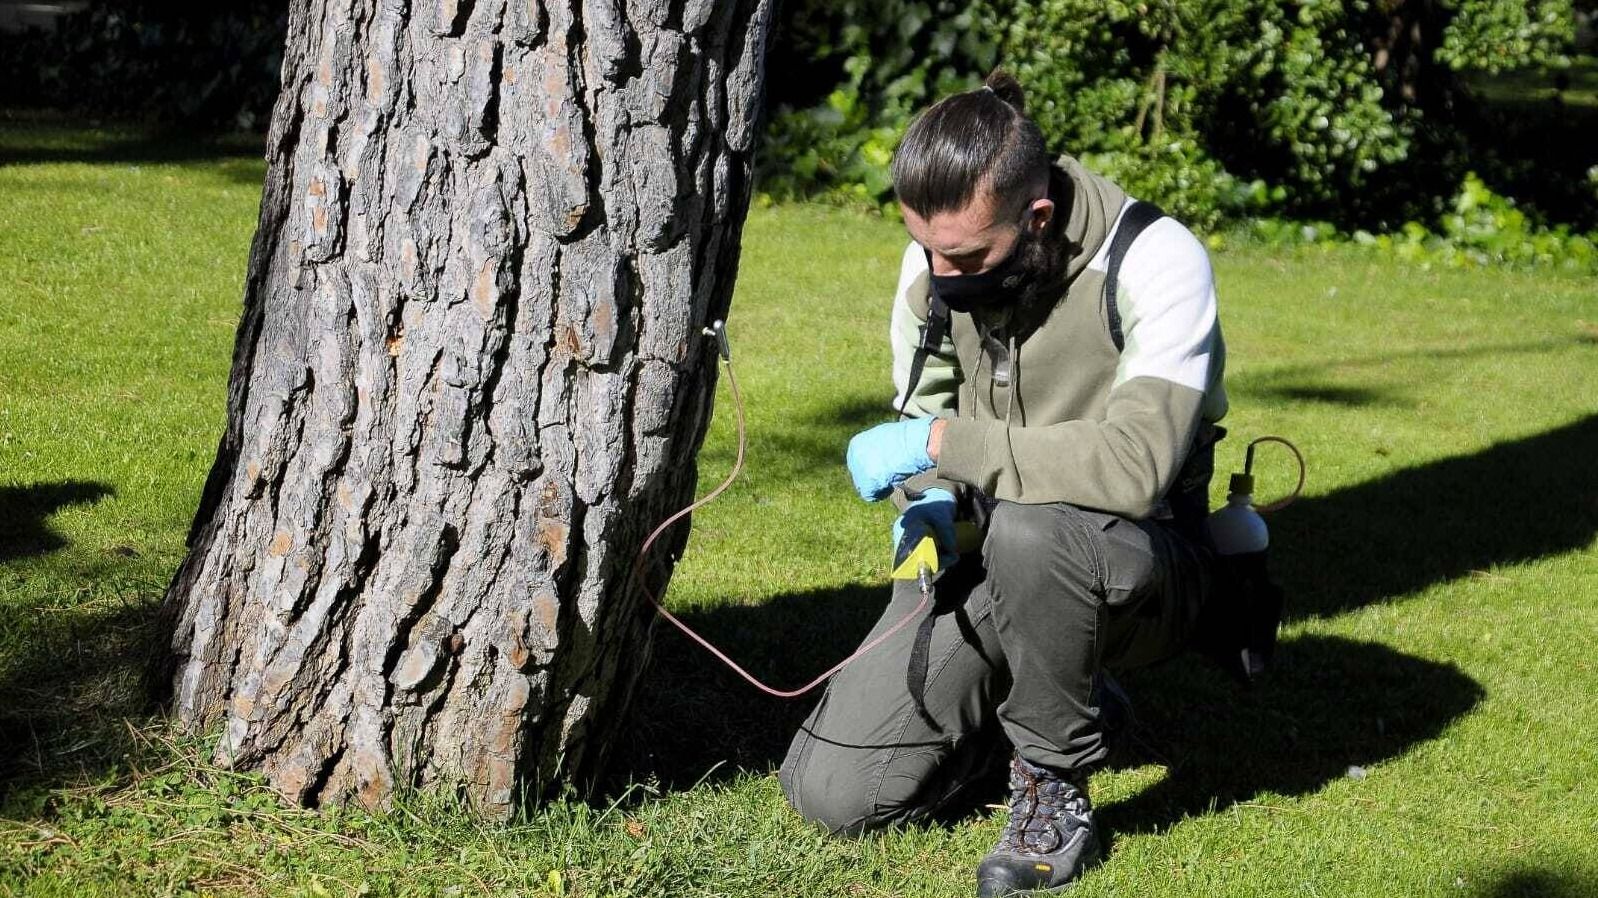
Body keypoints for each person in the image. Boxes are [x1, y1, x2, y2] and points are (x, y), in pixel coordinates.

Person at [778, 70, 1229, 896]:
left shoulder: (1157, 261)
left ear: (1039, 218)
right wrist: (931, 500)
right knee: (832, 795)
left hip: (1143, 566)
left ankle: (1052, 782)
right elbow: (924, 419)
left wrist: (946, 442)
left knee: (1035, 529)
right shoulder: (937, 259)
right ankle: (1064, 696)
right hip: (991, 549)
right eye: (926, 248)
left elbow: (1135, 467)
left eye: (964, 256)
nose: (941, 275)